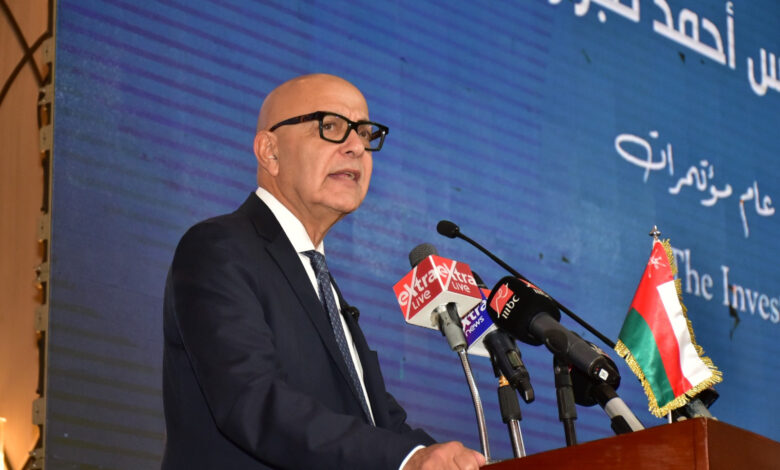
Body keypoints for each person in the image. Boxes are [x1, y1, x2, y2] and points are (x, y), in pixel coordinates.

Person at [161, 74, 485, 469]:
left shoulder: (320, 282)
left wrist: (452, 461)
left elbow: (377, 420)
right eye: (330, 126)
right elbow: (252, 399)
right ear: (269, 151)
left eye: (364, 133)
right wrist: (408, 460)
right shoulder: (219, 248)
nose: (356, 147)